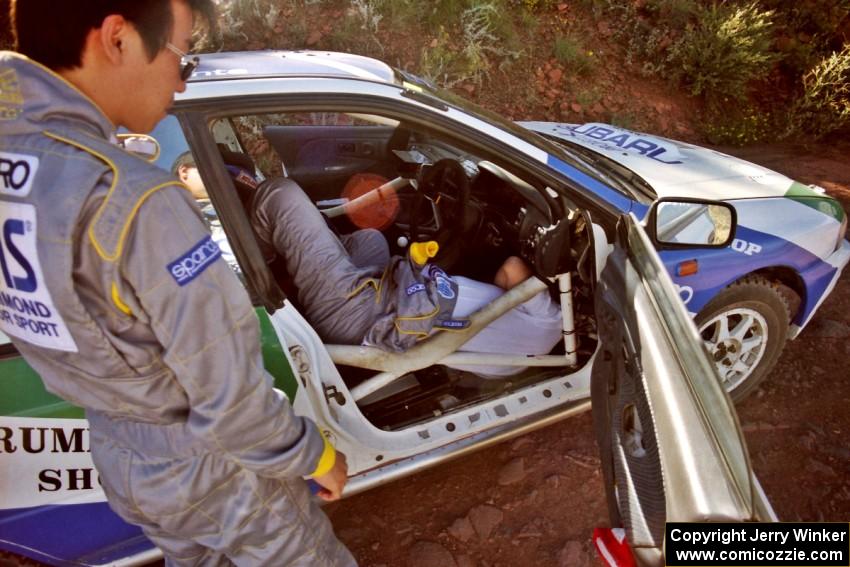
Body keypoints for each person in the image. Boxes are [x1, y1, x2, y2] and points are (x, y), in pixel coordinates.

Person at [1, 1, 355, 565]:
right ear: (117, 38)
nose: (181, 81)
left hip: (120, 454)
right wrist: (315, 456)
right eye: (183, 58)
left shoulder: (20, 163)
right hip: (211, 467)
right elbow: (233, 406)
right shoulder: (136, 202)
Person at [249, 175, 563, 374]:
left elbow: (512, 268)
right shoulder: (513, 365)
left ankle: (259, 281)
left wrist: (499, 289)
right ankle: (306, 265)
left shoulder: (550, 320)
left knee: (279, 193)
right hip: (392, 305)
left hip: (358, 310)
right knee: (369, 239)